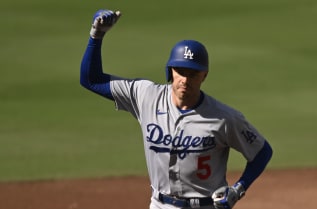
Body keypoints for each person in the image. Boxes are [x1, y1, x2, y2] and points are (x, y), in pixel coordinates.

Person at [80, 9, 273, 209]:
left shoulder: (223, 117)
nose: (185, 80)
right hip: (159, 204)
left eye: (193, 73)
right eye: (180, 71)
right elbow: (91, 80)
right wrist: (97, 35)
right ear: (170, 70)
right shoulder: (146, 96)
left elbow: (262, 151)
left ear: (204, 75)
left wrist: (238, 189)